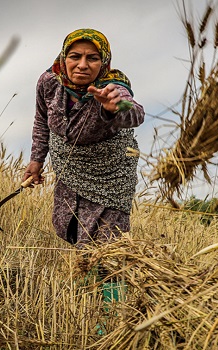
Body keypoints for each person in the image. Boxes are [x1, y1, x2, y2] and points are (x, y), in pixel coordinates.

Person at [22, 28, 145, 250]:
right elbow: (41, 120)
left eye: (92, 58)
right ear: (64, 57)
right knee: (71, 228)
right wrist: (36, 160)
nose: (82, 65)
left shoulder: (112, 87)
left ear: (103, 62)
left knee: (109, 247)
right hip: (70, 170)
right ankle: (85, 281)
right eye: (75, 56)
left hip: (110, 175)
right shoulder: (49, 82)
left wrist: (116, 107)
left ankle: (111, 284)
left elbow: (135, 113)